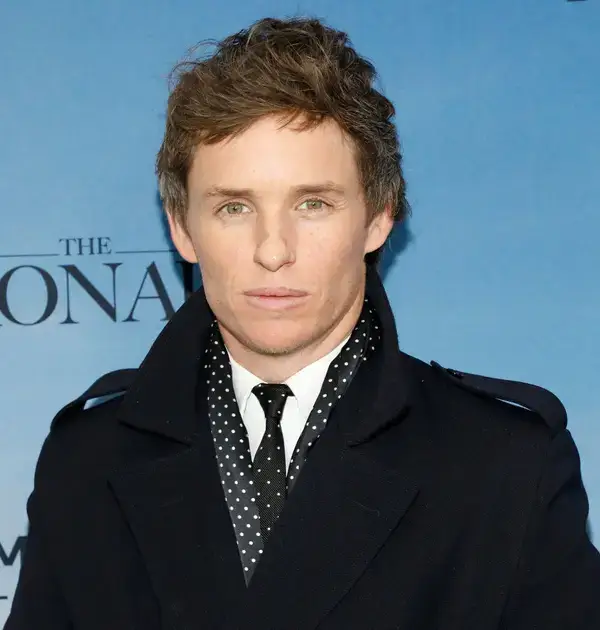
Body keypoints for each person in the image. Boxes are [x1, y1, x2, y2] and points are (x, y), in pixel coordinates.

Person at [5, 16, 600, 630]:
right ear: (182, 228)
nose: (273, 249)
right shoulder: (84, 463)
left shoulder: (506, 465)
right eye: (234, 207)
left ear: (378, 217)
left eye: (312, 203)